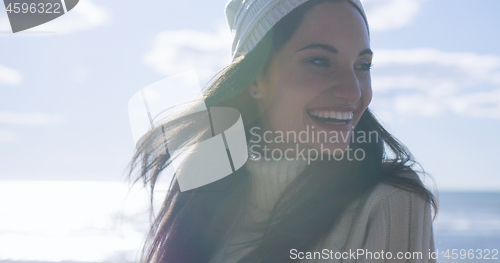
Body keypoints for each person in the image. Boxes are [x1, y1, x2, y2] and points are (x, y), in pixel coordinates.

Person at [129, 0, 438, 262]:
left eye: (363, 65)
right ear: (254, 79)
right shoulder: (204, 195)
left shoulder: (389, 202)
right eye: (319, 61)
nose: (353, 92)